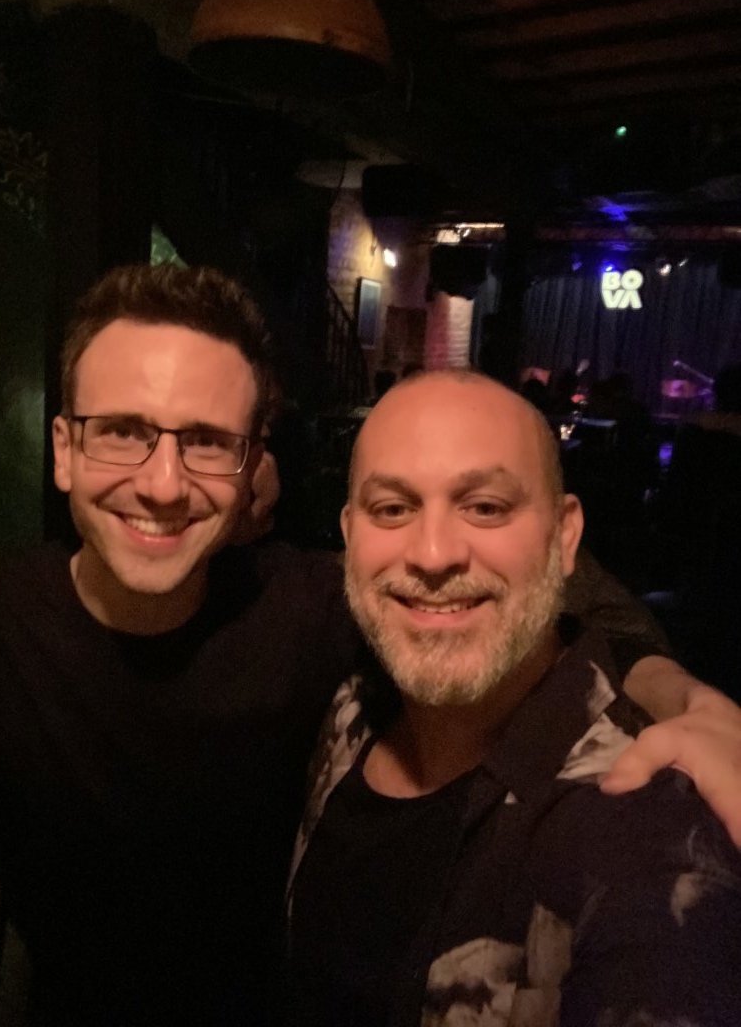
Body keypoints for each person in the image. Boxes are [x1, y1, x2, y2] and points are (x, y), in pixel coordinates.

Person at [0, 265, 739, 1027]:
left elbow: (529, 595)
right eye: (122, 433)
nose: (162, 484)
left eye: (206, 442)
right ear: (64, 450)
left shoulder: (307, 608)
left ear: (249, 470)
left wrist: (681, 694)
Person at [286, 370, 741, 1026]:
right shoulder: (350, 703)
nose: (433, 553)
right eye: (392, 509)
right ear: (349, 534)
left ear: (565, 536)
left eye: (486, 507)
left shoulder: (640, 835)